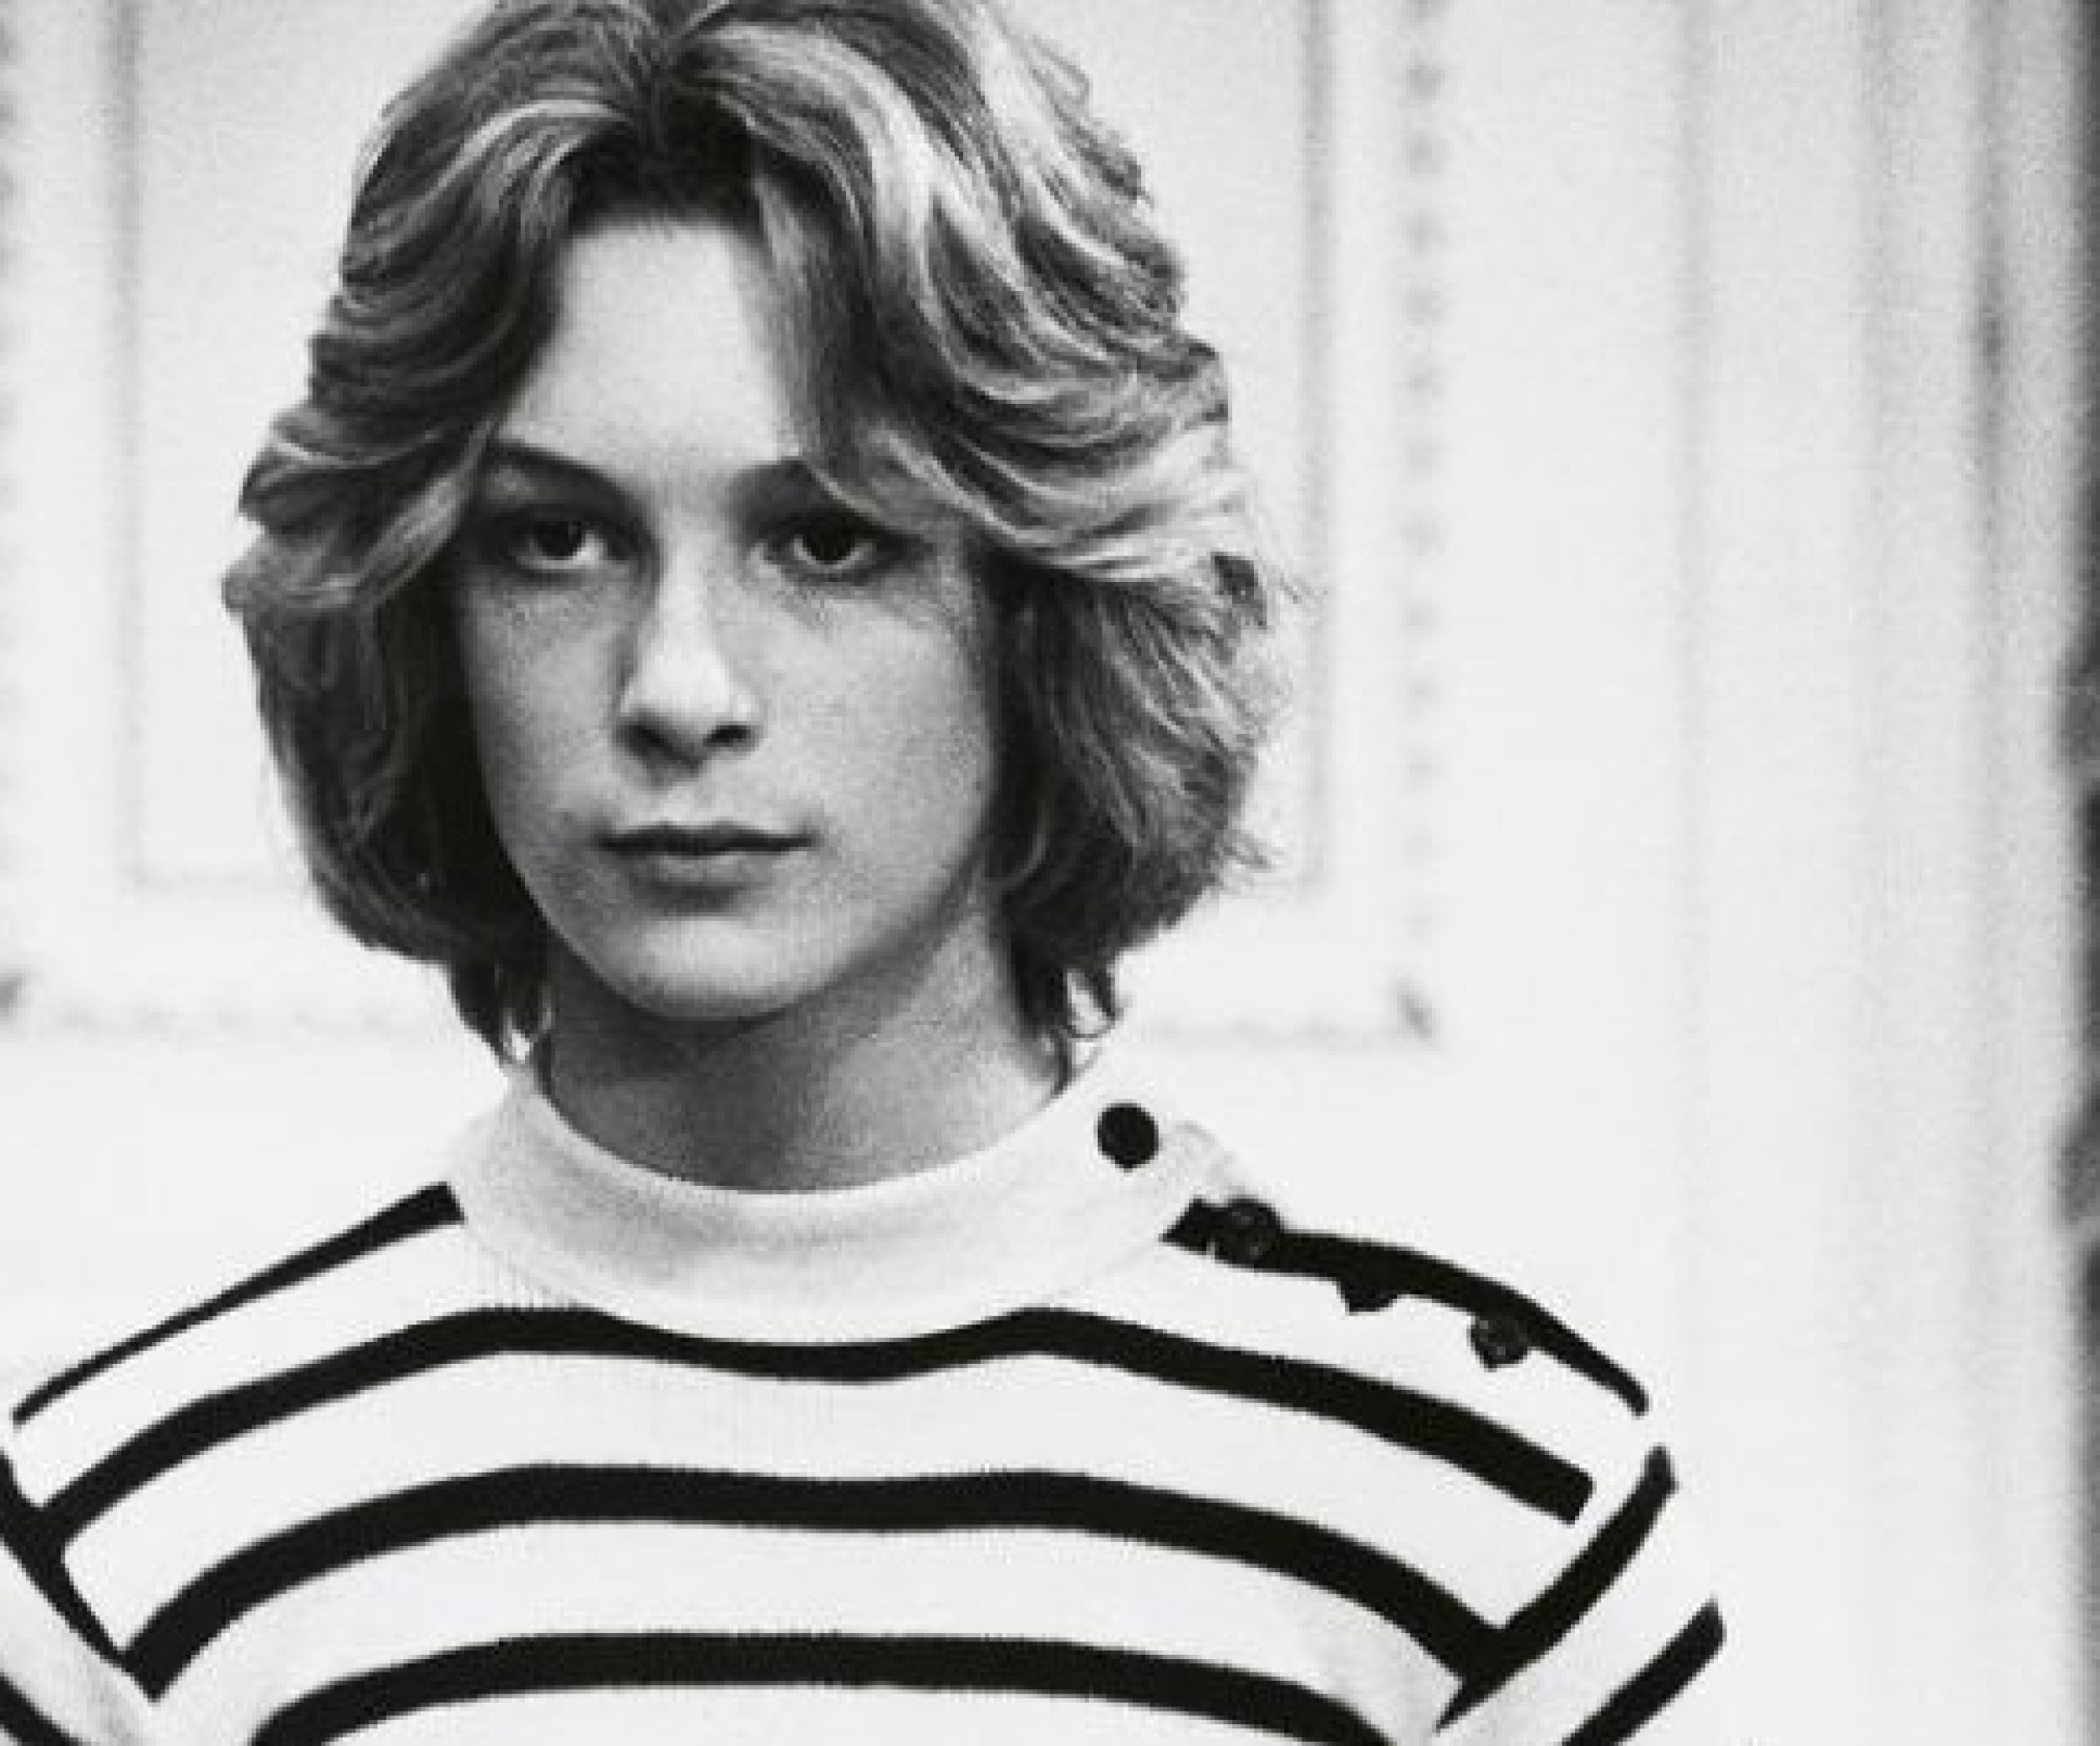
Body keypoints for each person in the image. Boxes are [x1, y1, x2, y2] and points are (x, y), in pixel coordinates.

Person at [0, 0, 1736, 1739]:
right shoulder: (137, 1556)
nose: (678, 686)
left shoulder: (1472, 1526)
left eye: (827, 540)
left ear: (1049, 600)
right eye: (556, 539)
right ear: (420, 609)